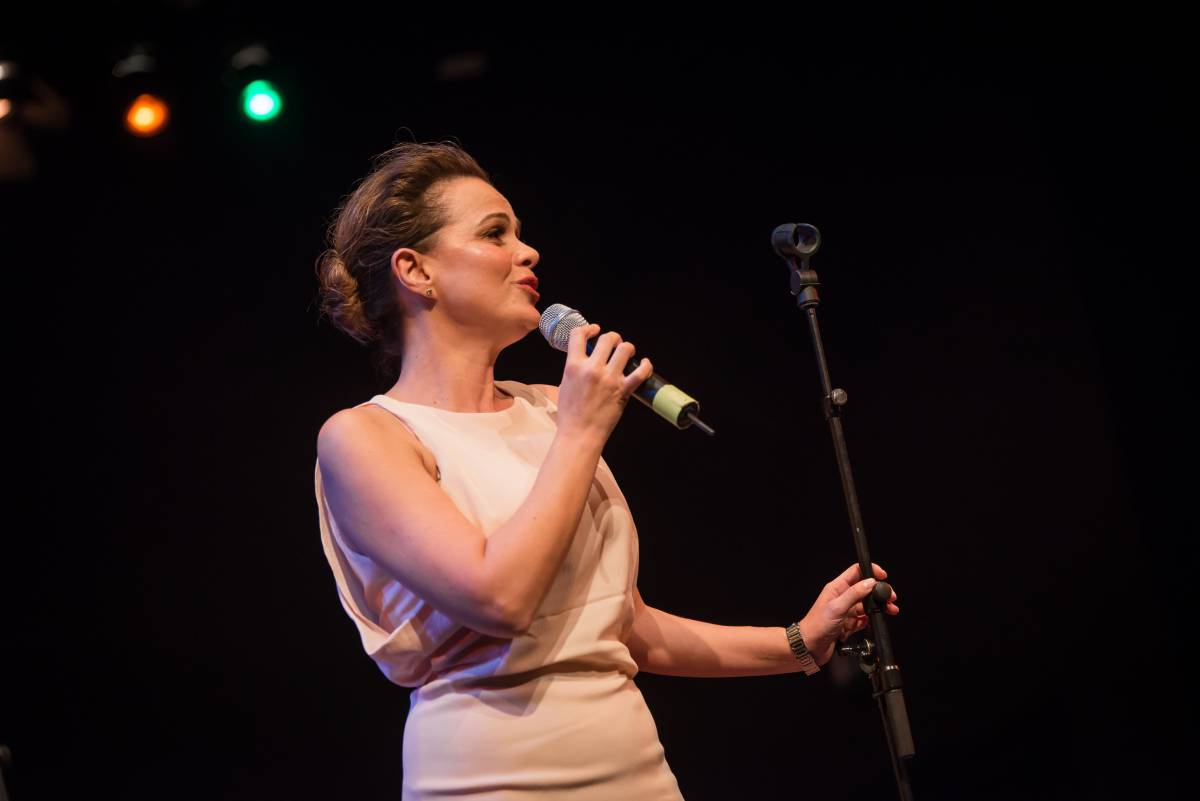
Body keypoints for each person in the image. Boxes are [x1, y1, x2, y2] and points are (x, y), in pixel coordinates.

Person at [312, 140, 900, 799]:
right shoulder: (366, 436)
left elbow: (617, 625)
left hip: (634, 766)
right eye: (495, 233)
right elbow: (498, 600)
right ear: (415, 269)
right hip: (492, 776)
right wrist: (582, 431)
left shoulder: (549, 409)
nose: (528, 253)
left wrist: (800, 642)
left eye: (520, 233)